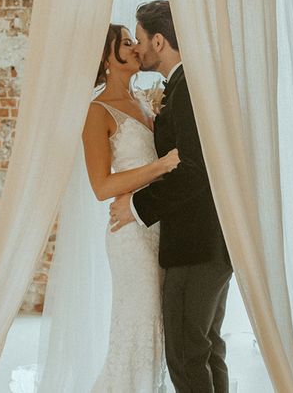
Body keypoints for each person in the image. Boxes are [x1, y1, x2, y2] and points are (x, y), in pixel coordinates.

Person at [109, 0, 233, 393]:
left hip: (196, 246)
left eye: (140, 39)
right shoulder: (185, 85)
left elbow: (194, 170)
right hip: (211, 242)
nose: (137, 49)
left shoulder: (187, 90)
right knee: (207, 349)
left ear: (159, 41)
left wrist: (136, 206)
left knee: (185, 354)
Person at [83, 23, 180, 393]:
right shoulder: (97, 111)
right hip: (130, 238)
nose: (137, 47)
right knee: (139, 326)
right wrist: (159, 166)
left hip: (157, 226)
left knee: (157, 327)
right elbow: (101, 186)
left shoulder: (145, 102)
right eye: (126, 43)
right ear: (108, 59)